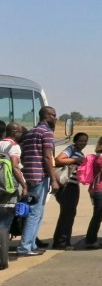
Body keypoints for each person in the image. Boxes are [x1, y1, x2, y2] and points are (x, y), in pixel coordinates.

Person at [17, 106, 60, 256]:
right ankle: (25, 247)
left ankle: (32, 244)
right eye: (53, 115)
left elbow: (23, 155)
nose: (55, 118)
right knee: (35, 213)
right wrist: (53, 179)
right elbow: (47, 157)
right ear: (46, 116)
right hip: (39, 176)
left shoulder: (30, 132)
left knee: (37, 212)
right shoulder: (46, 132)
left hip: (28, 175)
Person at [52, 132, 89, 249]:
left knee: (70, 213)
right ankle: (61, 242)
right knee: (67, 214)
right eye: (80, 140)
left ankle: (64, 241)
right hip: (67, 186)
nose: (83, 143)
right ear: (75, 141)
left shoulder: (80, 153)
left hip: (73, 185)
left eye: (85, 141)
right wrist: (75, 160)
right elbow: (58, 160)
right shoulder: (71, 149)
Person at [0, 123, 27, 269]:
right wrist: (24, 185)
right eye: (21, 132)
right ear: (15, 132)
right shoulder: (14, 147)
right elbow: (15, 167)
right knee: (5, 220)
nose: (22, 135)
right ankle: (3, 255)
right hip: (8, 187)